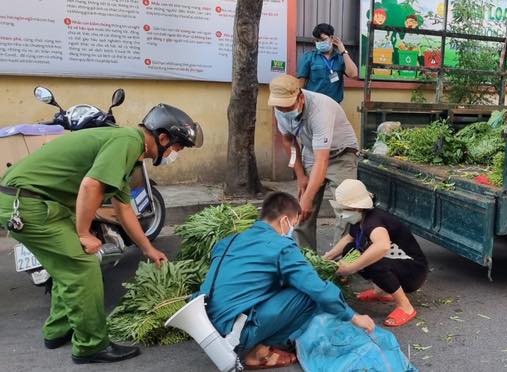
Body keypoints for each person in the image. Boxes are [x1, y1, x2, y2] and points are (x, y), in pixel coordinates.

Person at [0, 104, 204, 363]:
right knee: (83, 267)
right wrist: (84, 233)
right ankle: (91, 346)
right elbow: (91, 184)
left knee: (67, 268)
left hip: (28, 202)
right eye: (177, 147)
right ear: (163, 138)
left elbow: (122, 209)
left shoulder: (128, 150)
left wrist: (148, 249)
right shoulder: (127, 142)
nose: (176, 154)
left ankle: (58, 331)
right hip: (28, 204)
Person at [195, 192, 375, 369]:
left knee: (284, 287)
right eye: (293, 224)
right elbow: (316, 288)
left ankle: (255, 341)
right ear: (284, 221)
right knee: (307, 295)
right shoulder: (281, 246)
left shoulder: (229, 241)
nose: (291, 230)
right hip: (234, 335)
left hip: (207, 327)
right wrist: (353, 316)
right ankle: (259, 353)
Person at [269, 74, 359, 252]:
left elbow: (322, 160)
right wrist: (301, 175)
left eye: (288, 106)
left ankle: (339, 261)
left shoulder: (320, 110)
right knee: (302, 211)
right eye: (280, 107)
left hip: (341, 153)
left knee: (345, 209)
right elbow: (289, 141)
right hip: (312, 152)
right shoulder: (279, 109)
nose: (284, 111)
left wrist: (308, 198)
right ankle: (305, 258)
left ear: (300, 97)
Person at [324, 179, 428, 328]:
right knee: (350, 249)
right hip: (397, 264)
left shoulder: (374, 221)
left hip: (413, 272)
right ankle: (382, 292)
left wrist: (350, 268)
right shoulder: (360, 219)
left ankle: (405, 307)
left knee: (374, 262)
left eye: (345, 209)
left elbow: (382, 246)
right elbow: (349, 239)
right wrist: (327, 257)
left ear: (357, 207)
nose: (342, 213)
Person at [297, 23, 358, 103]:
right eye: (317, 40)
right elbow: (301, 83)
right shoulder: (309, 57)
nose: (320, 43)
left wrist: (343, 51)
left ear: (332, 38)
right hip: (313, 103)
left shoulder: (340, 58)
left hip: (334, 104)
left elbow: (353, 74)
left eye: (323, 40)